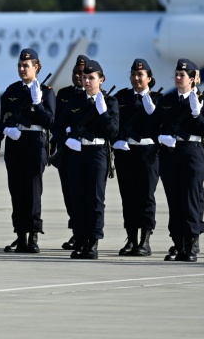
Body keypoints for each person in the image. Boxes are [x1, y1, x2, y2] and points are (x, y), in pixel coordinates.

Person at [56, 59, 119, 260]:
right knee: (78, 198)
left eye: (91, 78)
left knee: (94, 198)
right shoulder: (74, 102)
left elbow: (112, 132)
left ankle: (93, 241)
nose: (87, 81)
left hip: (97, 153)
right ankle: (80, 238)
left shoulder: (109, 102)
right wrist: (68, 141)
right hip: (76, 153)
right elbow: (57, 127)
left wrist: (103, 113)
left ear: (101, 80)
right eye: (84, 78)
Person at [154, 58, 204, 262]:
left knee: (190, 199)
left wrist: (197, 114)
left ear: (192, 79)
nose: (179, 78)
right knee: (174, 200)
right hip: (170, 154)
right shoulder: (167, 101)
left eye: (183, 75)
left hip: (192, 152)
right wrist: (161, 137)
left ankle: (191, 242)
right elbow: (154, 126)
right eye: (177, 75)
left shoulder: (202, 101)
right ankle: (178, 242)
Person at [0, 48, 55, 254]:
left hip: (35, 142)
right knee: (16, 189)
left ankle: (33, 235)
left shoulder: (46, 91)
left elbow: (50, 121)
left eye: (26, 66)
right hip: (15, 142)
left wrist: (38, 103)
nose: (22, 69)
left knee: (32, 190)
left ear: (36, 67)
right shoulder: (12, 91)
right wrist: (5, 129)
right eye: (20, 66)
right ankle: (20, 235)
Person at [112, 59, 161, 256]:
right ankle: (131, 239)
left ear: (149, 78)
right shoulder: (121, 97)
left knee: (146, 196)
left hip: (148, 153)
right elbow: (114, 122)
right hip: (126, 152)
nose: (136, 78)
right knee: (128, 197)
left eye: (140, 75)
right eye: (133, 74)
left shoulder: (157, 99)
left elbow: (161, 126)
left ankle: (145, 240)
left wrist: (153, 113)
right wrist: (116, 140)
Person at [49, 54, 90, 251]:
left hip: (87, 151)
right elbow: (56, 122)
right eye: (75, 72)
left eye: (82, 73)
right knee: (70, 193)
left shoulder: (98, 96)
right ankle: (76, 231)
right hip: (66, 150)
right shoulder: (64, 94)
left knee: (87, 194)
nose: (78, 76)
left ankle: (86, 233)